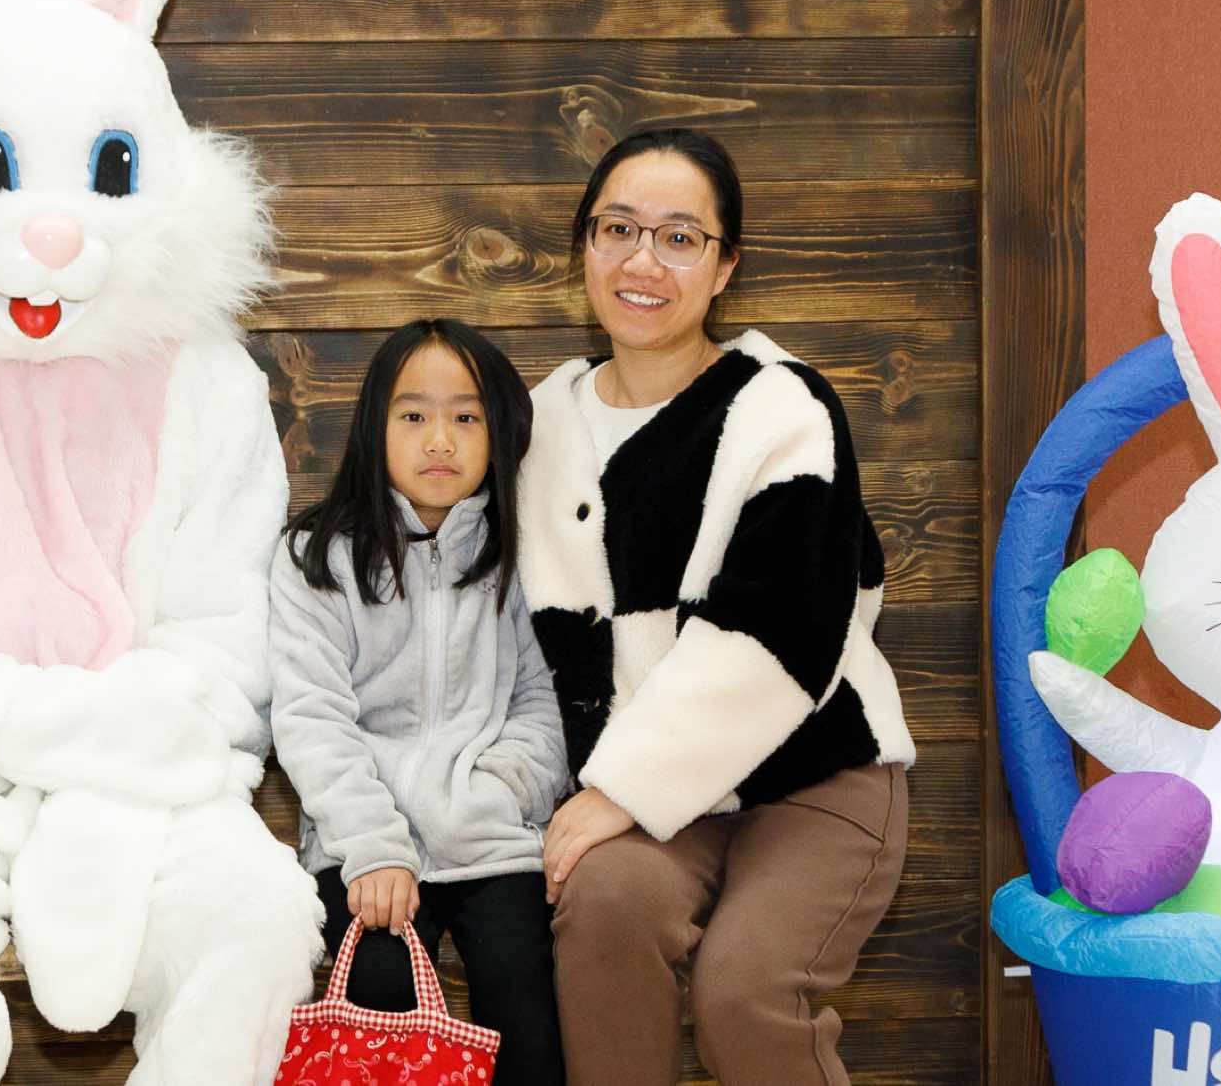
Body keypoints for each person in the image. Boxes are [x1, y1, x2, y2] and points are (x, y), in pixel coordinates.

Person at [520, 128, 916, 1085]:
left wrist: (619, 789)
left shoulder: (782, 406)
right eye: (619, 228)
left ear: (725, 264)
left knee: (743, 991)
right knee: (604, 904)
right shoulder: (536, 426)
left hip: (816, 774)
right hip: (652, 802)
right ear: (583, 244)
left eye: (680, 238)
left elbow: (775, 634)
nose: (642, 261)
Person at [268, 319, 567, 1086]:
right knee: (379, 986)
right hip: (364, 841)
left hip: (489, 839)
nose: (440, 439)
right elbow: (312, 717)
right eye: (413, 415)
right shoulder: (318, 559)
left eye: (466, 416)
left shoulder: (516, 557)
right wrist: (375, 845)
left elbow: (541, 700)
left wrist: (503, 790)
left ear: (497, 434)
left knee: (528, 1001)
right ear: (376, 427)